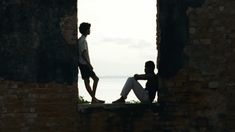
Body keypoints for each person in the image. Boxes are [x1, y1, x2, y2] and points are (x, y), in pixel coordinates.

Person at [77, 22, 104, 104]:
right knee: (95, 79)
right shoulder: (83, 41)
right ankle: (94, 99)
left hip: (81, 64)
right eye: (89, 29)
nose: (90, 30)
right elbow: (83, 54)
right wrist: (89, 64)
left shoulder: (80, 40)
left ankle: (94, 99)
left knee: (87, 81)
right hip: (84, 64)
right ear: (86, 30)